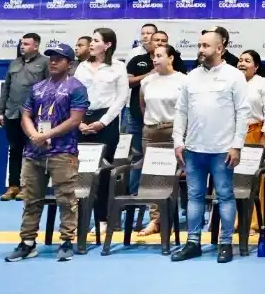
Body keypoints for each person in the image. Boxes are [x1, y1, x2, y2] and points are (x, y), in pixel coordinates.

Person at [3, 43, 88, 263]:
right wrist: (34, 136)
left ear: (69, 64)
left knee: (66, 199)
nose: (53, 61)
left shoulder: (77, 88)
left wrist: (46, 134)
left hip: (63, 152)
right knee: (31, 200)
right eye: (51, 57)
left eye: (59, 58)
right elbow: (26, 115)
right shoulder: (37, 87)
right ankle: (28, 243)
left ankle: (66, 241)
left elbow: (75, 120)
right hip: (34, 153)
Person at [171, 29, 248, 264]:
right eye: (199, 45)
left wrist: (237, 145)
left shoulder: (234, 76)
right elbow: (181, 111)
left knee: (225, 195)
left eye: (206, 45)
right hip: (194, 149)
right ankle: (192, 243)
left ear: (220, 48)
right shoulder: (190, 76)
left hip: (223, 149)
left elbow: (243, 112)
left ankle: (225, 243)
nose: (201, 50)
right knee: (194, 197)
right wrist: (178, 142)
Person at [74, 28, 128, 234]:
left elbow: (121, 99)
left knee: (103, 172)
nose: (91, 44)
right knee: (82, 171)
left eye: (96, 41)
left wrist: (103, 122)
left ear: (108, 45)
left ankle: (103, 219)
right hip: (82, 118)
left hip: (106, 122)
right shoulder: (81, 67)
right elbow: (74, 96)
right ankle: (80, 218)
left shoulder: (118, 67)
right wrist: (78, 121)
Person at [137, 43, 187, 237]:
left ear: (171, 58)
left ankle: (172, 218)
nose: (155, 59)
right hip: (151, 132)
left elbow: (186, 110)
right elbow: (143, 105)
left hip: (174, 130)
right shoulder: (147, 81)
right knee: (154, 177)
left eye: (159, 55)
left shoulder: (183, 80)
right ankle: (155, 220)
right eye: (153, 56)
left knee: (174, 177)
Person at [0, 33, 47, 201]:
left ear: (36, 46)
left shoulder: (45, 63)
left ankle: (28, 187)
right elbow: (6, 88)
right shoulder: (15, 63)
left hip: (33, 115)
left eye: (26, 43)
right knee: (15, 150)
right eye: (21, 43)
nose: (22, 46)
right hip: (12, 113)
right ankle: (13, 186)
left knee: (32, 152)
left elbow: (49, 89)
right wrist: (0, 111)